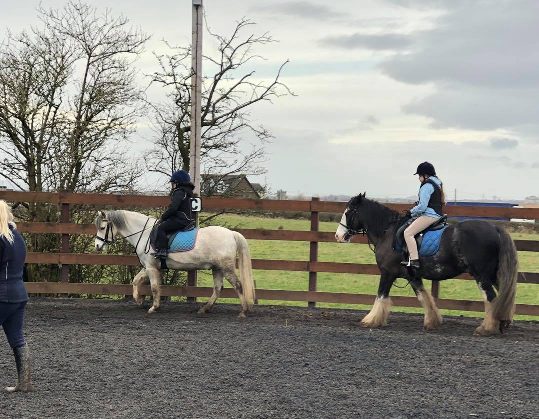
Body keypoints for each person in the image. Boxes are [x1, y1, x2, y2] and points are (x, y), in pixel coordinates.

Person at [0, 200, 32, 392]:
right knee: (17, 338)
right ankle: (25, 382)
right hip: (19, 294)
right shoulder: (18, 237)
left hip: (2, 295)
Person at [401, 162, 445, 270]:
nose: (419, 178)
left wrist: (411, 212)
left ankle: (415, 260)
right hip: (438, 214)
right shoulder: (438, 183)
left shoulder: (427, 185)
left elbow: (422, 207)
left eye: (419, 175)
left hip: (430, 216)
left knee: (408, 233)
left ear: (425, 175)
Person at [153, 170, 195, 259]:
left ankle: (163, 251)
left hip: (180, 219)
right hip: (187, 219)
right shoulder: (187, 192)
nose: (172, 185)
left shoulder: (179, 192)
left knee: (161, 228)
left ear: (178, 183)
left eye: (173, 183)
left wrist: (163, 217)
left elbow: (173, 208)